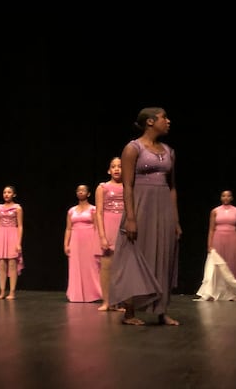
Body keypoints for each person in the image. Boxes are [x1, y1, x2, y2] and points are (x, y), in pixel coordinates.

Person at [109, 107, 182, 326]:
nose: (168, 121)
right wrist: (131, 217)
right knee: (135, 254)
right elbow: (127, 185)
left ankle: (161, 310)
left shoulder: (169, 151)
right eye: (164, 118)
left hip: (163, 209)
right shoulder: (133, 148)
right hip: (140, 207)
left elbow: (172, 188)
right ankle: (129, 312)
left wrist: (176, 220)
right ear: (150, 122)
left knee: (163, 254)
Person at [195, 190, 236, 301]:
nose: (226, 197)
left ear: (232, 198)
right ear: (220, 197)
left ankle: (231, 293)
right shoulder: (215, 211)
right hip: (218, 239)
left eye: (228, 196)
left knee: (231, 264)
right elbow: (211, 229)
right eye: (223, 195)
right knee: (217, 265)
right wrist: (209, 244)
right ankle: (214, 291)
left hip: (233, 240)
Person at [94, 157, 125, 312]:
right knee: (106, 266)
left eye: (120, 166)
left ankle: (119, 302)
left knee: (122, 268)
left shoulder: (128, 187)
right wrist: (102, 236)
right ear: (109, 170)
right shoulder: (103, 187)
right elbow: (98, 213)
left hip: (124, 227)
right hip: (108, 227)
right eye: (113, 166)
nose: (117, 169)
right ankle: (106, 301)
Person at [64, 184, 102, 303]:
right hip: (75, 241)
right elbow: (68, 228)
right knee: (76, 266)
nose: (80, 192)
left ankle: (95, 294)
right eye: (78, 190)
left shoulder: (93, 209)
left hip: (90, 239)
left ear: (89, 194)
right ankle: (76, 295)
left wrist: (98, 242)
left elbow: (97, 227)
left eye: (83, 190)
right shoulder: (71, 210)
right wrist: (66, 244)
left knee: (91, 266)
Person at [0, 185, 24, 300]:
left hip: (12, 235)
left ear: (14, 194)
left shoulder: (17, 208)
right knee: (2, 265)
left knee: (12, 264)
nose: (6, 194)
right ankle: (2, 291)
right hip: (1, 234)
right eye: (5, 192)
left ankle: (12, 292)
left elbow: (20, 226)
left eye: (9, 192)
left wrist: (19, 242)